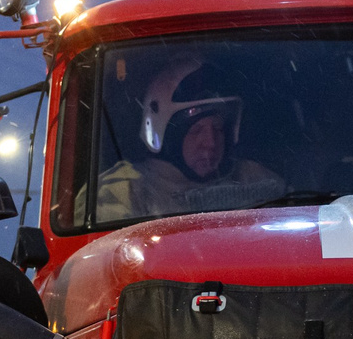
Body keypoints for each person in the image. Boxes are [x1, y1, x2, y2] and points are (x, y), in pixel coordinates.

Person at [96, 59, 283, 222]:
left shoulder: (252, 178)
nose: (210, 143)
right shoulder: (123, 192)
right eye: (196, 130)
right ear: (167, 134)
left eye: (218, 128)